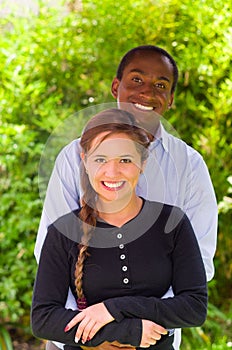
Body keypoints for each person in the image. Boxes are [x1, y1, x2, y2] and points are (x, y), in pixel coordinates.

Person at [34, 45, 218, 349]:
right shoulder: (71, 158)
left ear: (170, 98)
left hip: (156, 336)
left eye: (161, 85)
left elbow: (199, 263)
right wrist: (92, 330)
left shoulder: (190, 165)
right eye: (136, 79)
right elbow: (51, 256)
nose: (147, 91)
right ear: (116, 87)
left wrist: (144, 328)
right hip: (79, 336)